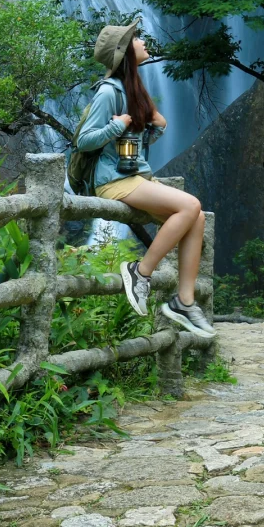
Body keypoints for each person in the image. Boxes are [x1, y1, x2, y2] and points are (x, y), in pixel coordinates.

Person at [75, 17, 215, 340]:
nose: (142, 41)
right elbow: (84, 140)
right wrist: (118, 125)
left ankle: (183, 300)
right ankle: (140, 272)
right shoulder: (109, 92)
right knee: (190, 205)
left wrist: (155, 123)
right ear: (125, 53)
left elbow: (137, 141)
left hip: (136, 176)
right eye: (136, 39)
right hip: (114, 182)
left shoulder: (133, 90)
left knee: (195, 219)